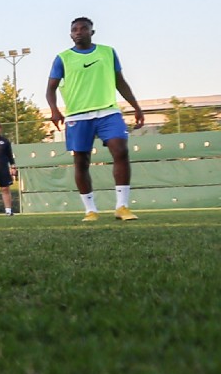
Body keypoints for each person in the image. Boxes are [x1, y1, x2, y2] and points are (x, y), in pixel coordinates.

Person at [45, 16, 146, 223]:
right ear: (70, 34)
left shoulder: (108, 52)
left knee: (121, 150)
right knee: (81, 162)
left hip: (108, 111)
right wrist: (54, 110)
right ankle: (90, 210)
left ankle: (122, 206)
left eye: (83, 28)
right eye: (74, 29)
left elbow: (120, 82)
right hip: (78, 116)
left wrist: (136, 106)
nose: (79, 32)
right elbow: (50, 89)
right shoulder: (62, 58)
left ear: (92, 32)